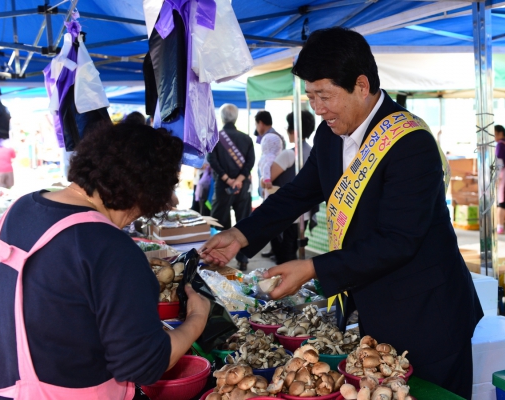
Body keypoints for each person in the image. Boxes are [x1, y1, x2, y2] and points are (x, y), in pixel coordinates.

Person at [201, 27, 482, 399]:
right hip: (375, 308)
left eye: (324, 95)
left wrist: (313, 268)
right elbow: (300, 192)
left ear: (361, 86)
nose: (317, 107)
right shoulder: (330, 134)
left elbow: (398, 240)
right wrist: (241, 235)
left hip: (429, 313)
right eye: (312, 95)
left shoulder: (411, 143)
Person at [0, 122, 211, 400]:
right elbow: (144, 364)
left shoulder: (22, 208)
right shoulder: (108, 245)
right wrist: (197, 318)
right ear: (146, 192)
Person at [207, 104, 255, 271]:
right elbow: (250, 163)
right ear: (235, 118)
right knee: (244, 223)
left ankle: (216, 258)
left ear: (222, 118)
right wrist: (239, 179)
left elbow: (212, 160)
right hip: (242, 186)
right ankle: (243, 260)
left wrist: (228, 179)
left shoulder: (216, 137)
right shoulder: (246, 138)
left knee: (220, 221)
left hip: (223, 186)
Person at [269, 110, 316, 264]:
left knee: (285, 257)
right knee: (292, 253)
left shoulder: (289, 154)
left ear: (293, 130)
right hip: (306, 212)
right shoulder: (312, 151)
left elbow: (268, 178)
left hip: (288, 213)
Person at [255, 111, 286, 196]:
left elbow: (271, 165)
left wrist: (267, 180)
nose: (256, 129)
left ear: (260, 123)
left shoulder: (273, 139)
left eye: (256, 125)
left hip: (272, 185)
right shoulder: (278, 137)